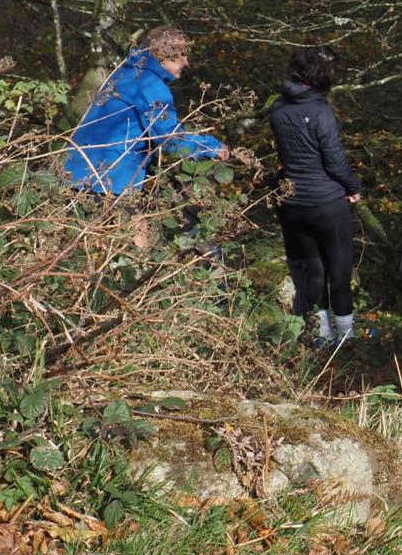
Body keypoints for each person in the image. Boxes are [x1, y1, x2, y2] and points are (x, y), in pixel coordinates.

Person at [268, 47, 363, 347]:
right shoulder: (321, 112)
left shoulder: (278, 108)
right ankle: (346, 335)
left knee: (312, 267)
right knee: (339, 267)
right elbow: (335, 162)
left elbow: (286, 156)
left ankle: (320, 332)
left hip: (292, 201)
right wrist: (353, 187)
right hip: (326, 202)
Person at [64, 26, 229, 197]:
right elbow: (170, 140)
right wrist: (212, 147)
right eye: (181, 54)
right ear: (159, 53)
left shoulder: (124, 73)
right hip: (109, 180)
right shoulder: (149, 85)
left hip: (76, 174)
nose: (186, 62)